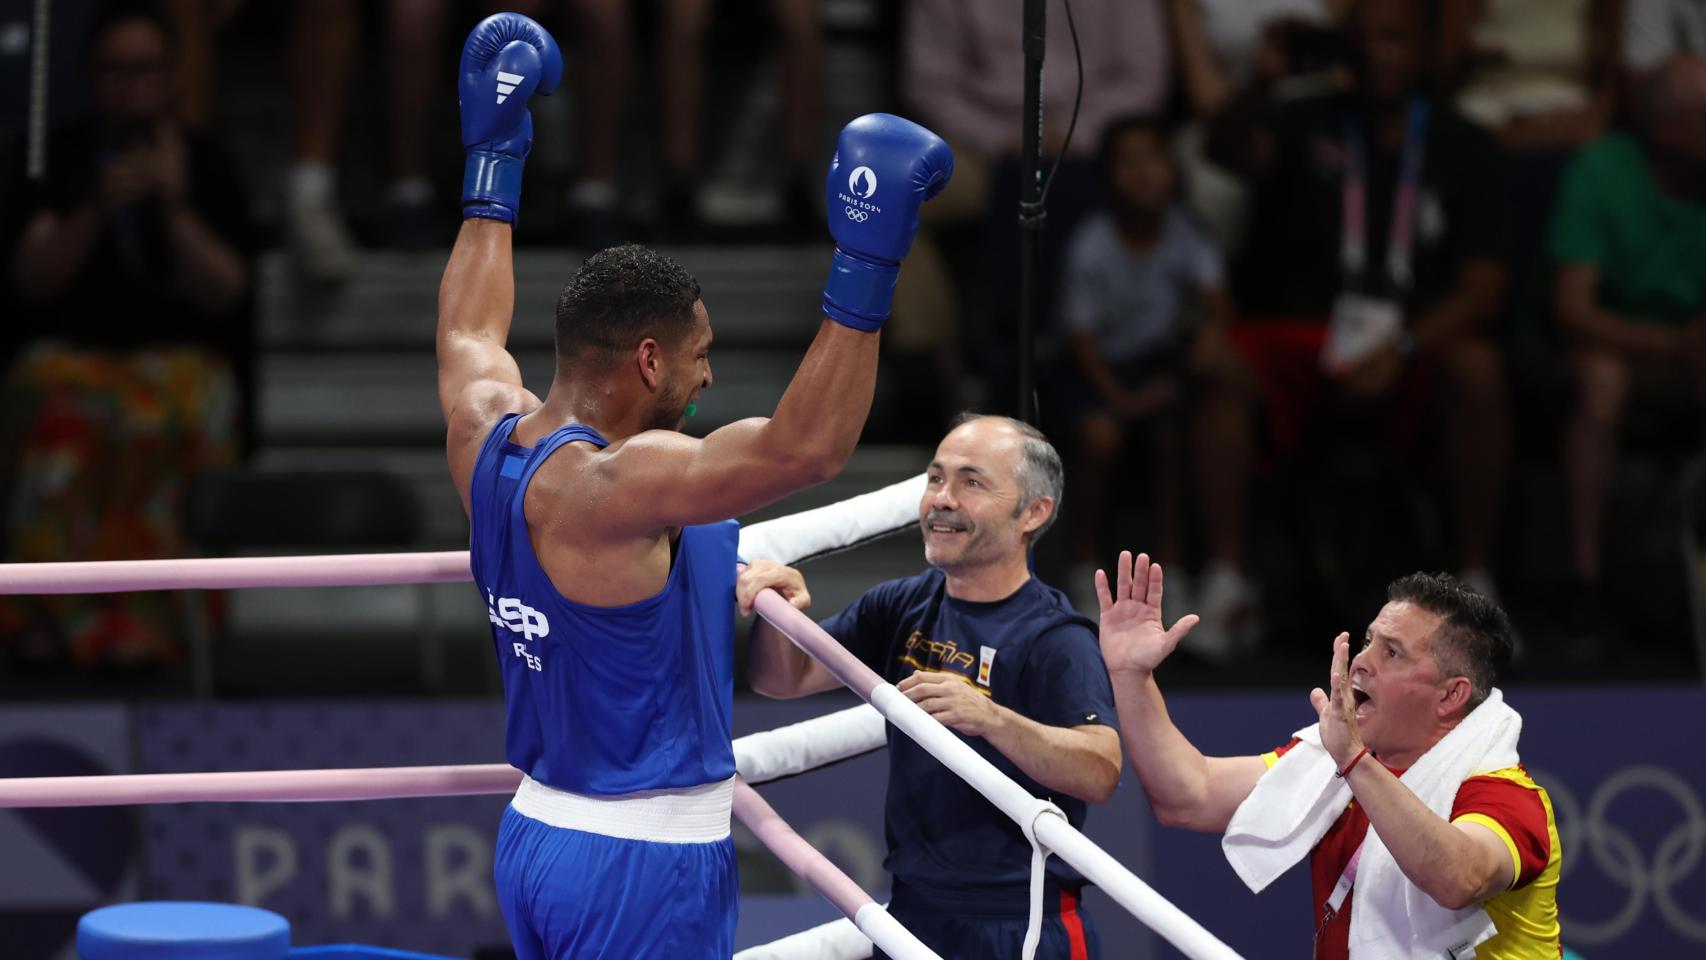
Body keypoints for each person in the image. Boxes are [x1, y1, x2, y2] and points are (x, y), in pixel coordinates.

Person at [435, 14, 951, 959]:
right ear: (645, 358)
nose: (708, 378)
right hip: (643, 863)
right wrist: (868, 260)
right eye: (699, 357)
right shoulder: (617, 483)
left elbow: (469, 330)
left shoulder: (485, 432)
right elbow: (806, 452)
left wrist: (492, 159)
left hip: (537, 835)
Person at [742, 414, 1123, 960]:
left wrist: (991, 717)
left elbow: (1102, 768)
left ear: (1032, 513)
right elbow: (781, 679)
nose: (942, 499)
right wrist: (781, 611)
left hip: (1020, 923)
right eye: (935, 478)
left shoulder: (1055, 636)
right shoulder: (903, 604)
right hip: (913, 911)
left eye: (971, 482)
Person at [1195, 0, 1511, 654]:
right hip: (1303, 336)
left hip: (1410, 340)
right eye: (1362, 42)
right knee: (1214, 362)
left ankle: (1476, 581)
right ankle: (1229, 582)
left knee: (1477, 369)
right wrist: (1264, 80)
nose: (1378, 56)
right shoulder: (1301, 119)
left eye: (1393, 39)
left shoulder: (1465, 144)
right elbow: (1222, 149)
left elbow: (1485, 289)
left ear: (1422, 51)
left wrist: (1404, 344)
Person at [1099, 553, 1559, 959]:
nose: (1361, 662)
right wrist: (1130, 676)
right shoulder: (1332, 762)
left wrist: (1355, 762)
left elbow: (1459, 878)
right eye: (1368, 641)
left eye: (1393, 653)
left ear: (1450, 696)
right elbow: (1187, 794)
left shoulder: (1507, 797)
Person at [0, 0, 255, 674]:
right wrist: (95, 208)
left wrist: (172, 207)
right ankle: (46, 624)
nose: (130, 85)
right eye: (115, 70)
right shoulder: (52, 156)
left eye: (144, 70)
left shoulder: (207, 162)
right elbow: (31, 279)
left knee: (179, 406)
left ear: (172, 75)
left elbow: (229, 288)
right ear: (91, 76)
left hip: (176, 363)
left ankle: (161, 634)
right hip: (75, 360)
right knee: (59, 411)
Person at [1552, 53, 1706, 641]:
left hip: (1691, 354)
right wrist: (1671, 344)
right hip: (1615, 345)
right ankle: (1585, 579)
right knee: (1602, 380)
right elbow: (1573, 310)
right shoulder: (1602, 171)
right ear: (1666, 125)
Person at [1055, 114, 1234, 610]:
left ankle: (1171, 569)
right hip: (1101, 374)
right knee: (1100, 438)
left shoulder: (1186, 233)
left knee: (1173, 437)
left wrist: (1209, 337)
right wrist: (1120, 400)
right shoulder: (1092, 244)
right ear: (1108, 176)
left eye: (1154, 158)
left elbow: (1216, 301)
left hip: (1160, 369)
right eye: (1129, 162)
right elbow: (1080, 338)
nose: (1145, 173)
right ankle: (1081, 565)